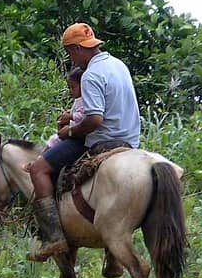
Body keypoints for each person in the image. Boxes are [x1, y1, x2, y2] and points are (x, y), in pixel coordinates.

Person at [26, 22, 141, 262]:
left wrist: (69, 132)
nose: (72, 59)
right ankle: (112, 255)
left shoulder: (91, 74)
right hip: (130, 141)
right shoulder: (119, 65)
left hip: (102, 139)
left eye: (70, 52)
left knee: (38, 169)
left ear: (78, 48)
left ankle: (53, 237)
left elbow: (94, 120)